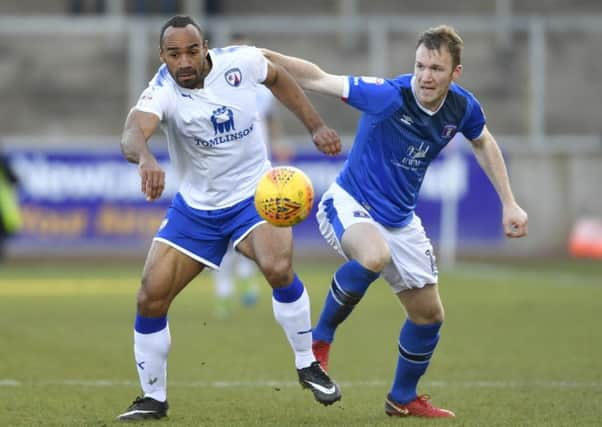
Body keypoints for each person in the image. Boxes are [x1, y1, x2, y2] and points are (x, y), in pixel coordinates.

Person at [263, 24, 528, 419]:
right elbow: (318, 77)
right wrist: (261, 56)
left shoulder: (463, 107)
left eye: (436, 69)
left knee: (429, 315)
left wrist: (509, 202)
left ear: (455, 73)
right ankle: (319, 340)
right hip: (351, 202)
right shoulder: (388, 95)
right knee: (373, 255)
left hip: (401, 220)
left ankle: (402, 397)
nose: (425, 76)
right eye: (420, 65)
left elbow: (483, 141)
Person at [116, 15, 342, 421]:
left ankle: (308, 363)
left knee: (277, 266)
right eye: (174, 54)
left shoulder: (242, 62)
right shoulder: (162, 90)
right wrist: (146, 157)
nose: (184, 61)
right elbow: (133, 131)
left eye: (191, 50)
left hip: (254, 197)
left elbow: (280, 78)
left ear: (205, 48)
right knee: (150, 296)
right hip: (196, 209)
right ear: (161, 55)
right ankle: (153, 397)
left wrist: (316, 125)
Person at [212, 33, 294, 319]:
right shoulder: (218, 88)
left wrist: (279, 142)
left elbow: (271, 120)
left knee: (256, 226)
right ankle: (223, 292)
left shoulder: (262, 89)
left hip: (259, 171)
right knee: (223, 235)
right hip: (226, 172)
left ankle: (247, 276)